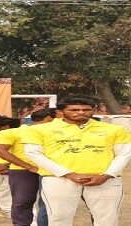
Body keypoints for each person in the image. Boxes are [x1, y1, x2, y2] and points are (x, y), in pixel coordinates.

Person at [23, 96, 131, 226]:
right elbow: (33, 153)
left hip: (104, 180)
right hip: (59, 179)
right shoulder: (39, 129)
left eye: (86, 109)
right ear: (61, 110)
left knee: (108, 221)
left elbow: (125, 153)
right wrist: (69, 174)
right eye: (74, 109)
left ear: (94, 110)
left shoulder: (114, 129)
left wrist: (106, 175)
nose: (81, 112)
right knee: (58, 220)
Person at [0, 108, 55, 226]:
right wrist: (28, 166)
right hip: (23, 171)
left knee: (50, 203)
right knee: (22, 202)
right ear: (48, 119)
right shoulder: (12, 132)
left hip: (52, 171)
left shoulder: (58, 132)